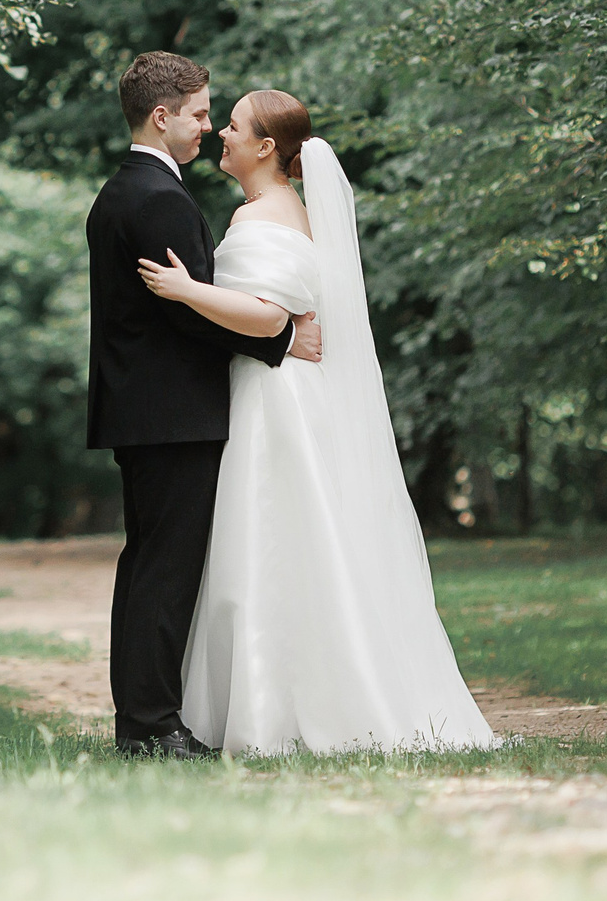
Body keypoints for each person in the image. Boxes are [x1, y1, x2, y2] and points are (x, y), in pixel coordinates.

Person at [138, 87, 496, 755]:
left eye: (235, 127)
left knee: (270, 537)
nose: (222, 134)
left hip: (275, 401)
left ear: (266, 146)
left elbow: (270, 317)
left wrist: (188, 289)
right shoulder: (277, 210)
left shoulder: (263, 216)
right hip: (280, 389)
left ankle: (279, 709)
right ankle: (278, 698)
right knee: (290, 542)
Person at [86, 52, 322, 759]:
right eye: (197, 114)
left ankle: (144, 720)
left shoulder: (122, 190)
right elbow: (189, 316)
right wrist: (282, 333)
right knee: (165, 571)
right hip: (173, 413)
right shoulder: (160, 198)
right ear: (163, 116)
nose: (207, 125)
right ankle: (153, 725)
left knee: (148, 566)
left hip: (146, 411)